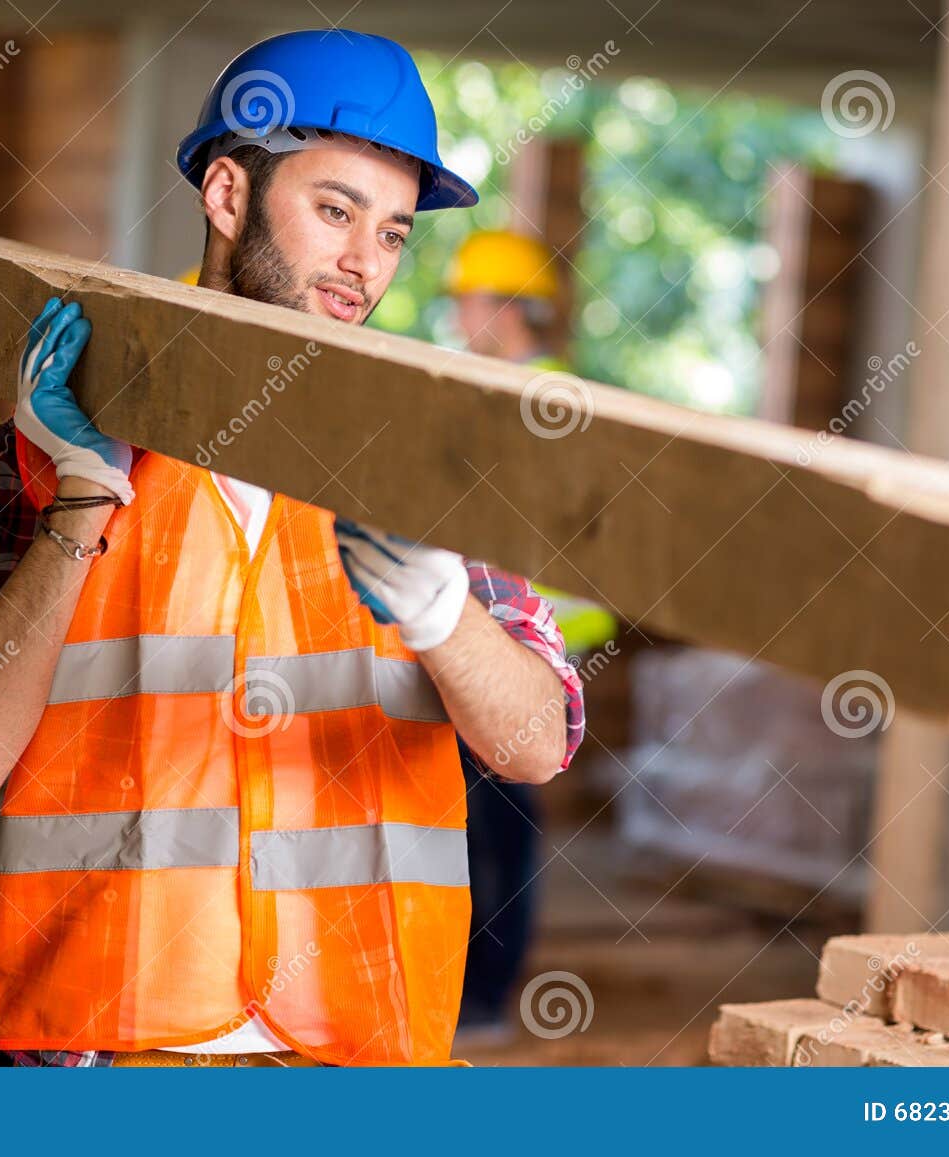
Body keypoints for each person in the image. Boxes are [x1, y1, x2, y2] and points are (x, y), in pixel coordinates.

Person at [0, 29, 585, 1068]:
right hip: (84, 1044)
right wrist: (81, 506)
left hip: (353, 1052)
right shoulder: (61, 436)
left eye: (395, 233)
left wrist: (444, 612)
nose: (366, 263)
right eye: (333, 210)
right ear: (227, 195)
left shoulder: (436, 453)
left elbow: (537, 743)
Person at [444, 230, 618, 1043]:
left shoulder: (534, 397)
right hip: (515, 630)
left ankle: (483, 994)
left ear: (506, 308)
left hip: (522, 634)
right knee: (494, 813)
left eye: (467, 300)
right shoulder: (526, 387)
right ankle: (477, 987)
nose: (457, 316)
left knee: (498, 816)